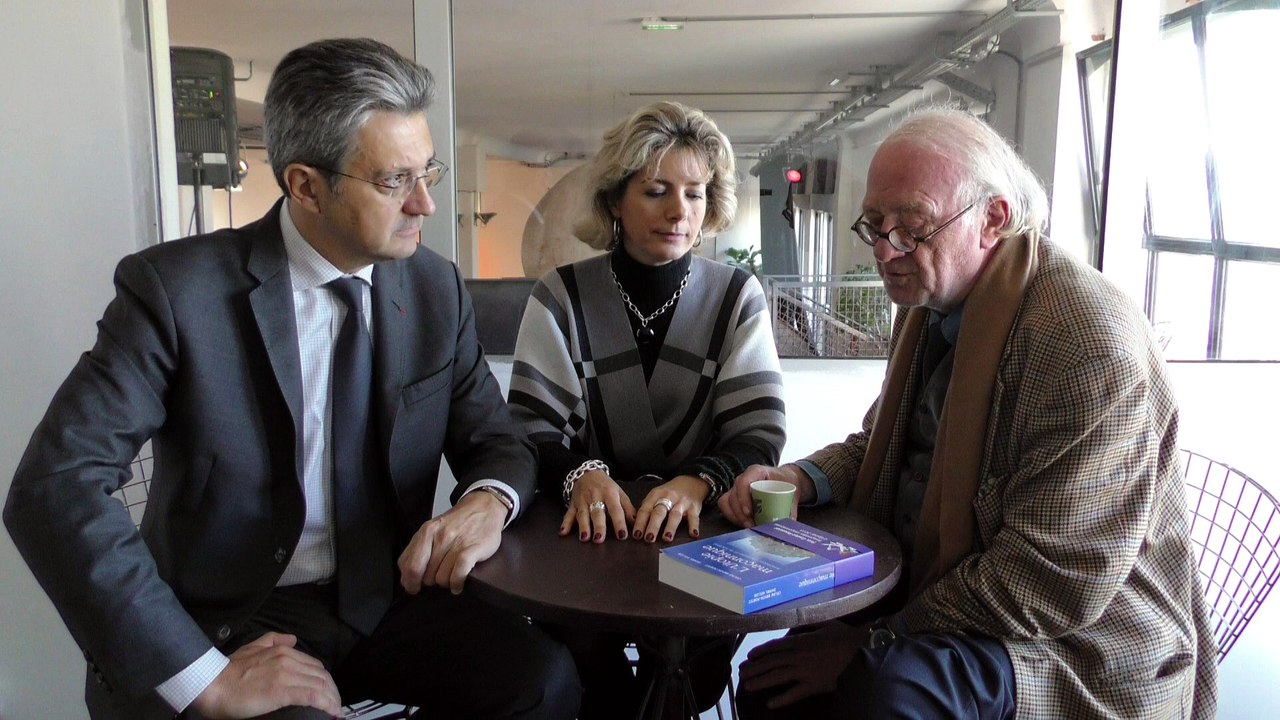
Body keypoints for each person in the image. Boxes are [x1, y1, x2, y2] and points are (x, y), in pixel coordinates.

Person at [4, 38, 578, 720]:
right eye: (396, 181)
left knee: (543, 680)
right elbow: (55, 486)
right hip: (230, 616)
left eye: (429, 171)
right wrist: (204, 680)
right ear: (305, 185)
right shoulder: (177, 293)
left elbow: (496, 439)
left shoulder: (434, 289)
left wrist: (489, 501)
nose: (425, 203)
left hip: (384, 596)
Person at [717, 106, 1218, 719]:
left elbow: (1051, 580)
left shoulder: (1086, 340)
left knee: (883, 693)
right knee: (772, 683)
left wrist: (873, 638)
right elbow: (883, 442)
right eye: (873, 224)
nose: (884, 249)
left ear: (994, 219)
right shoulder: (932, 299)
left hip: (1076, 647)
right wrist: (802, 478)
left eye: (912, 226)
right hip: (957, 596)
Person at [507, 101, 786, 718]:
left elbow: (759, 432)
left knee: (695, 668)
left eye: (694, 192)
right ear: (613, 200)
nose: (678, 210)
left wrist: (696, 481)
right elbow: (527, 428)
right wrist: (582, 475)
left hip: (701, 532)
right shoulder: (561, 295)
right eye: (656, 190)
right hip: (584, 536)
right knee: (584, 660)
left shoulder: (738, 295)